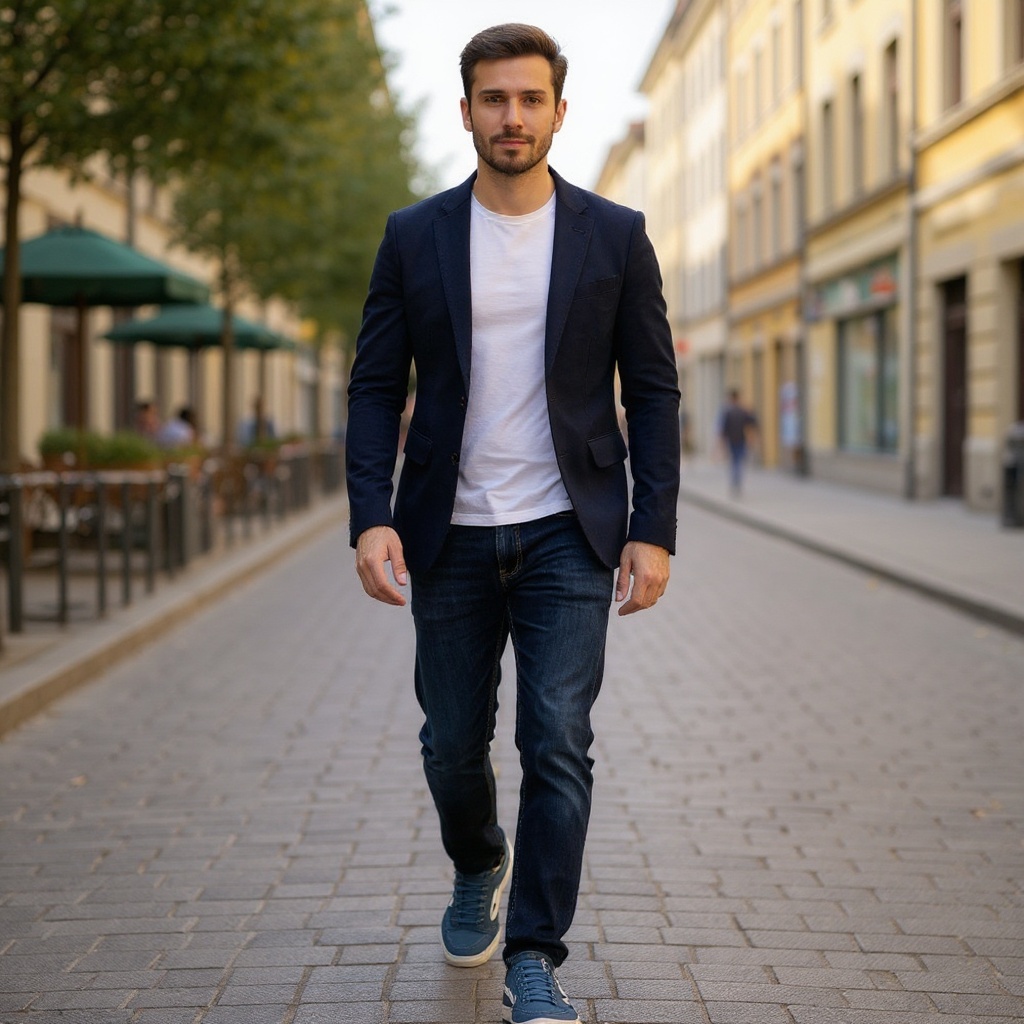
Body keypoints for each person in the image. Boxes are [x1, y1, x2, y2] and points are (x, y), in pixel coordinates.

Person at [345, 24, 680, 1024]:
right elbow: (372, 385)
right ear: (466, 112)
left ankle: (534, 952)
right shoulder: (415, 235)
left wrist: (652, 526)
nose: (512, 117)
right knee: (451, 743)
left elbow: (653, 390)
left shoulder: (613, 234)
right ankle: (477, 859)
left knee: (557, 742)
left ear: (558, 112)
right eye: (494, 99)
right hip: (444, 532)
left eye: (530, 99)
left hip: (567, 534)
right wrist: (370, 516)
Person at [717, 388, 759, 496]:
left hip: (732, 441)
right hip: (741, 440)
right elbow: (753, 422)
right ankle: (737, 483)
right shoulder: (743, 411)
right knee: (738, 462)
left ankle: (735, 483)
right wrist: (753, 438)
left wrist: (721, 443)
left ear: (731, 398)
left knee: (734, 462)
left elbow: (723, 430)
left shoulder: (728, 412)